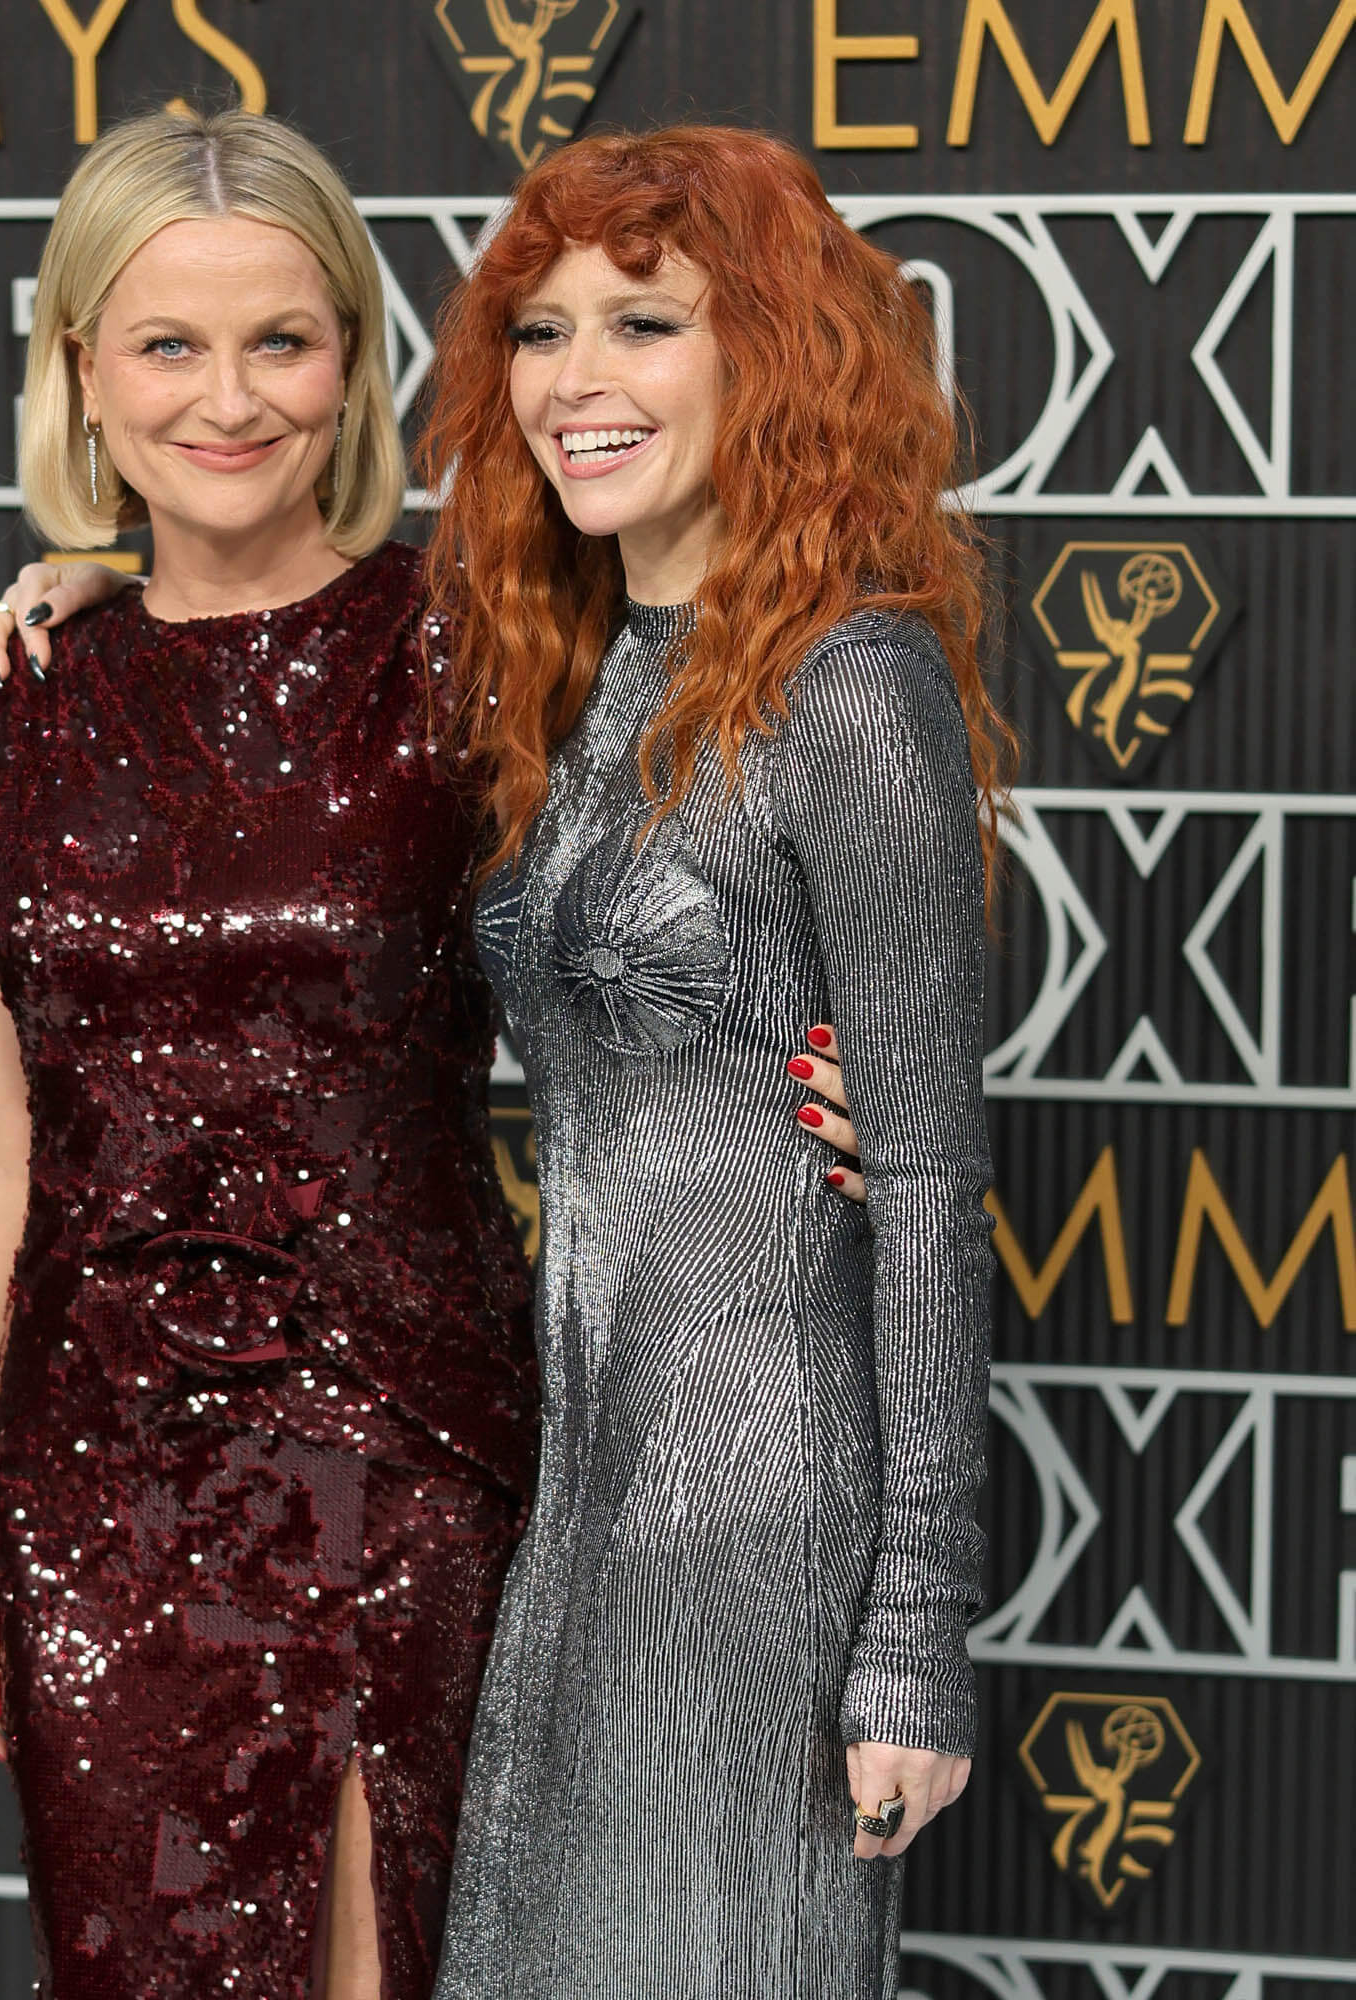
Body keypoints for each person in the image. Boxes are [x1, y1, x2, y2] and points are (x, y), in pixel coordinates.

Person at [0, 109, 541, 2000]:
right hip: (92, 1477)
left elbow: (654, 957)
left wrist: (831, 1100)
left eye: (282, 340)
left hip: (395, 1446)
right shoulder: (22, 687)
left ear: (350, 362)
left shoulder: (469, 644)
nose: (230, 398)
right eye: (169, 345)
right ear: (83, 371)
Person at [415, 124, 1014, 1996]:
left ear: (769, 352)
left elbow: (926, 1184)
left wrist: (913, 1632)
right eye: (540, 331)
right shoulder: (576, 663)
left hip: (757, 1513)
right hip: (579, 1474)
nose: (573, 380)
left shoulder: (849, 681)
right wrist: (88, 584)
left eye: (643, 323)